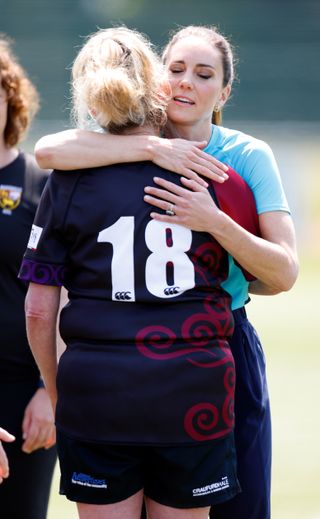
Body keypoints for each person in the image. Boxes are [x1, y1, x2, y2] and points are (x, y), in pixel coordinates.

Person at [33, 25, 299, 519]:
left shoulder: (242, 158)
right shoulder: (124, 147)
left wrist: (213, 222)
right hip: (141, 357)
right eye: (175, 70)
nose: (186, 83)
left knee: (243, 504)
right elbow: (47, 151)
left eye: (203, 75)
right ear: (155, 80)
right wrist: (153, 149)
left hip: (220, 340)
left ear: (224, 91)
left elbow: (282, 274)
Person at [0, 36, 57, 518]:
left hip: (28, 396)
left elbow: (70, 295)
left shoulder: (44, 184)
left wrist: (49, 389)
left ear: (10, 98)